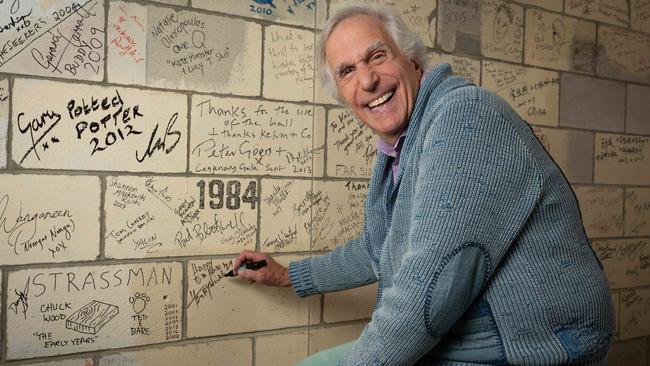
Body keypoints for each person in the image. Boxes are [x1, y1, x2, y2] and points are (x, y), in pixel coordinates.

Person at [233, 5, 614, 365]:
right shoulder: (398, 149)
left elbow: (428, 290)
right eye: (347, 71)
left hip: (532, 346)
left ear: (412, 61)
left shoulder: (464, 117)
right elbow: (376, 248)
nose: (367, 79)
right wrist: (286, 276)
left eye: (377, 56)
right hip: (468, 339)